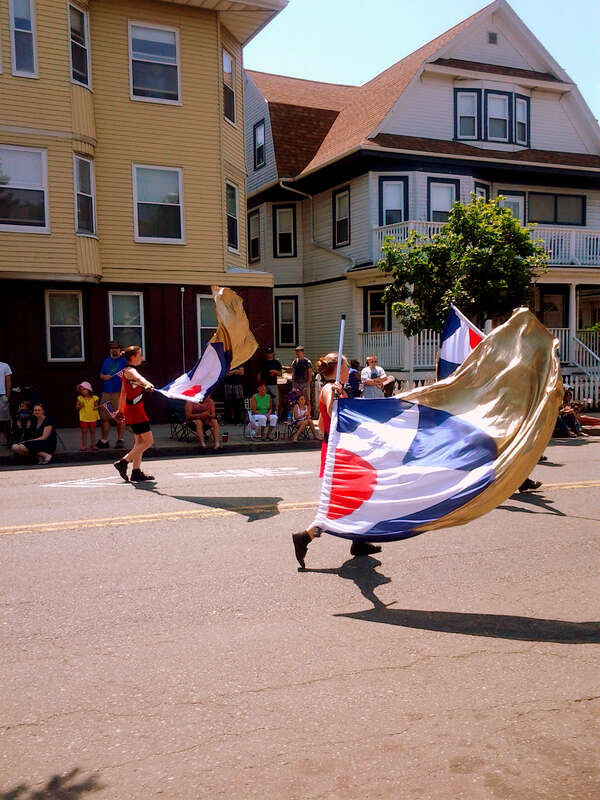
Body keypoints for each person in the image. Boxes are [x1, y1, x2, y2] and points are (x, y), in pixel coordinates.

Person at [292, 352, 381, 569]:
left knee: (359, 494)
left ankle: (358, 541)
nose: (348, 368)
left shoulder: (334, 388)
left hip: (339, 448)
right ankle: (305, 536)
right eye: (346, 365)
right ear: (338, 367)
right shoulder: (330, 389)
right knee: (341, 502)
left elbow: (322, 425)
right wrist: (338, 399)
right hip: (338, 453)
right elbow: (332, 410)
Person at [113, 345, 155, 483]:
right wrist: (148, 384)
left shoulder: (127, 371)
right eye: (139, 355)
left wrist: (120, 410)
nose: (141, 357)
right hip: (136, 410)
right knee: (148, 441)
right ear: (132, 357)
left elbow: (124, 392)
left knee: (139, 442)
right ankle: (123, 462)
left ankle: (136, 472)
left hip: (133, 408)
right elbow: (140, 379)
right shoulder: (131, 371)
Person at [97, 341, 127, 449]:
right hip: (106, 393)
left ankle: (120, 440)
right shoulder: (106, 361)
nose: (114, 350)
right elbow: (101, 374)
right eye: (112, 348)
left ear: (120, 350)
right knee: (105, 418)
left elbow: (130, 372)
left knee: (119, 417)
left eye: (116, 348)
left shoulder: (124, 361)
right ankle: (104, 440)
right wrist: (103, 377)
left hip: (119, 393)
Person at [258, 346, 282, 417]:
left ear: (273, 354)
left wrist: (275, 371)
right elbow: (259, 373)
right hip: (264, 384)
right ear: (266, 354)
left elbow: (280, 374)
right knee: (264, 400)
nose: (269, 354)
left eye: (270, 353)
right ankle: (265, 415)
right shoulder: (263, 362)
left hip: (273, 384)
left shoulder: (276, 363)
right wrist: (259, 383)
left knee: (275, 400)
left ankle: (275, 415)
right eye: (268, 353)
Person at [76, 381, 100, 451]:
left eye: (84, 389)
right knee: (84, 431)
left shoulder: (95, 398)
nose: (83, 391)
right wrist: (80, 406)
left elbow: (96, 406)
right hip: (84, 417)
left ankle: (93, 445)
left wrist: (96, 407)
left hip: (92, 417)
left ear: (89, 389)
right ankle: (84, 445)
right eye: (81, 390)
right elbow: (77, 407)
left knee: (92, 431)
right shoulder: (80, 398)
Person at [0, 360, 12, 446]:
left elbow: (8, 381)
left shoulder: (4, 366)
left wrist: (8, 395)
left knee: (5, 418)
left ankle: (4, 435)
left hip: (2, 394)